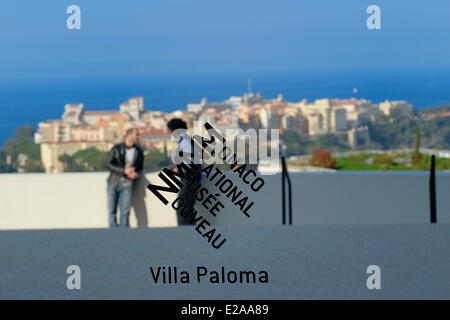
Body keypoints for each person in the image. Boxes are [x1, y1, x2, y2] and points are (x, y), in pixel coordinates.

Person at [105, 128, 144, 227]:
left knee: (125, 213)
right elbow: (108, 164)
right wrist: (123, 171)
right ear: (129, 135)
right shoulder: (116, 148)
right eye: (137, 134)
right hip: (113, 183)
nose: (139, 137)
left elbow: (140, 168)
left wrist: (137, 174)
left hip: (128, 184)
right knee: (111, 212)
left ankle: (124, 236)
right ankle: (113, 234)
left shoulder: (139, 151)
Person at [167, 118, 202, 225]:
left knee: (183, 209)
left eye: (169, 130)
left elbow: (188, 163)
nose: (168, 133)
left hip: (189, 180)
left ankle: (184, 234)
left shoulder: (185, 142)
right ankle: (190, 235)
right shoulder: (186, 140)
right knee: (188, 209)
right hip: (193, 179)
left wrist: (177, 169)